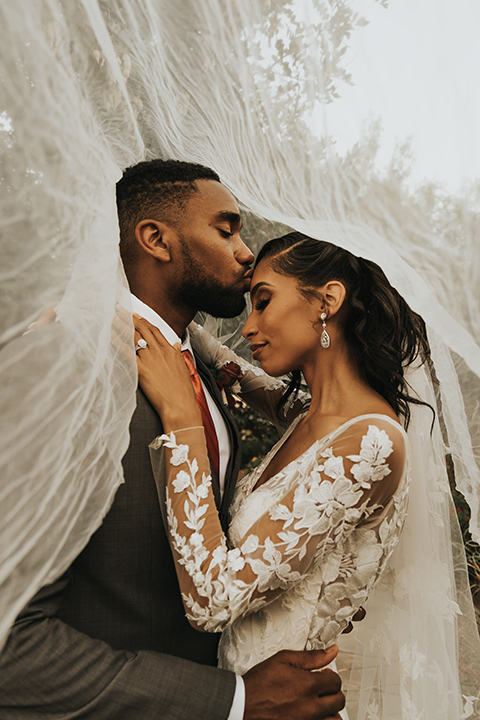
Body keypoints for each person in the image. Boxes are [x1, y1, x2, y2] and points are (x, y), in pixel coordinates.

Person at [0, 161, 346, 720]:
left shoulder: (197, 366)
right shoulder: (62, 365)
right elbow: (8, 638)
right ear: (155, 239)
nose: (245, 254)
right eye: (226, 228)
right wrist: (232, 702)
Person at [132, 230, 474, 718]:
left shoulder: (369, 444)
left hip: (280, 705)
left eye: (264, 302)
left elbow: (214, 600)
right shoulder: (307, 414)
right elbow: (239, 373)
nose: (248, 327)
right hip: (242, 689)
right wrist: (168, 328)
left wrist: (180, 416)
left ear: (327, 301)